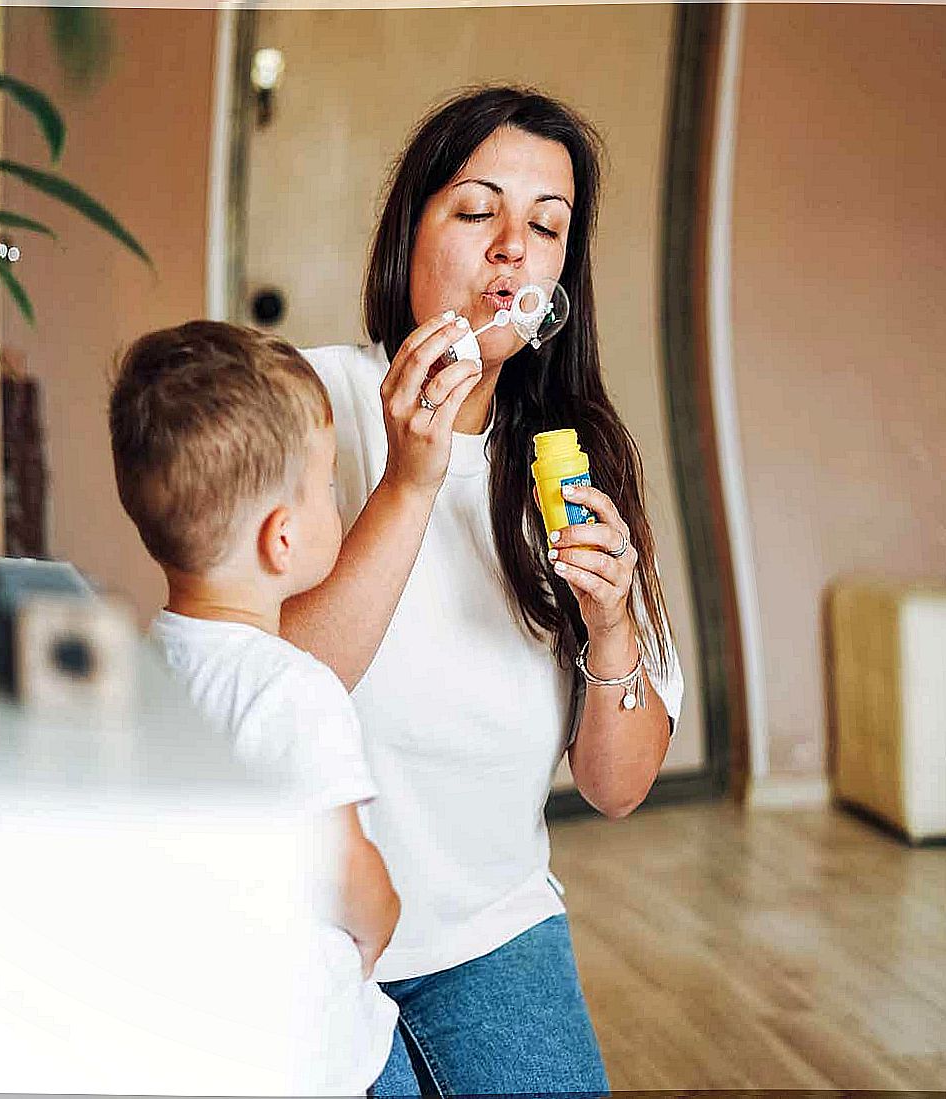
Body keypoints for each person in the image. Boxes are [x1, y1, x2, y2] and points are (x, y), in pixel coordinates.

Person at [282, 86, 685, 1095]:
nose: (513, 247)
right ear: (407, 234)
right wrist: (412, 478)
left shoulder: (575, 467)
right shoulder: (310, 401)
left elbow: (617, 786)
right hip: (306, 926)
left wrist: (609, 621)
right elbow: (273, 688)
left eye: (546, 227)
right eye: (477, 212)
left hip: (491, 932)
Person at [108, 321, 401, 1095]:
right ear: (282, 538)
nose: (339, 500)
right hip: (319, 1052)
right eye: (329, 488)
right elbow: (345, 868)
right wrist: (383, 919)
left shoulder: (146, 666)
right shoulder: (294, 691)